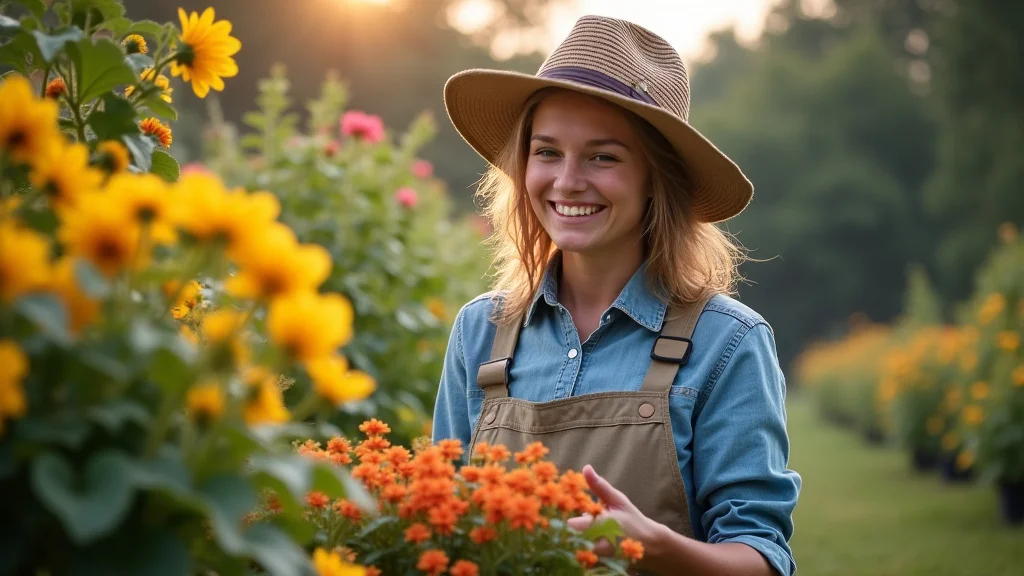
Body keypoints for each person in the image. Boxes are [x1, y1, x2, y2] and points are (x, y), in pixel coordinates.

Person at [432, 14, 801, 576]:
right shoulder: (480, 332)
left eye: (603, 156)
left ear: (658, 179)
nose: (568, 180)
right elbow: (442, 522)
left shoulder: (726, 342)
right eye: (547, 151)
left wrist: (658, 548)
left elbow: (761, 555)